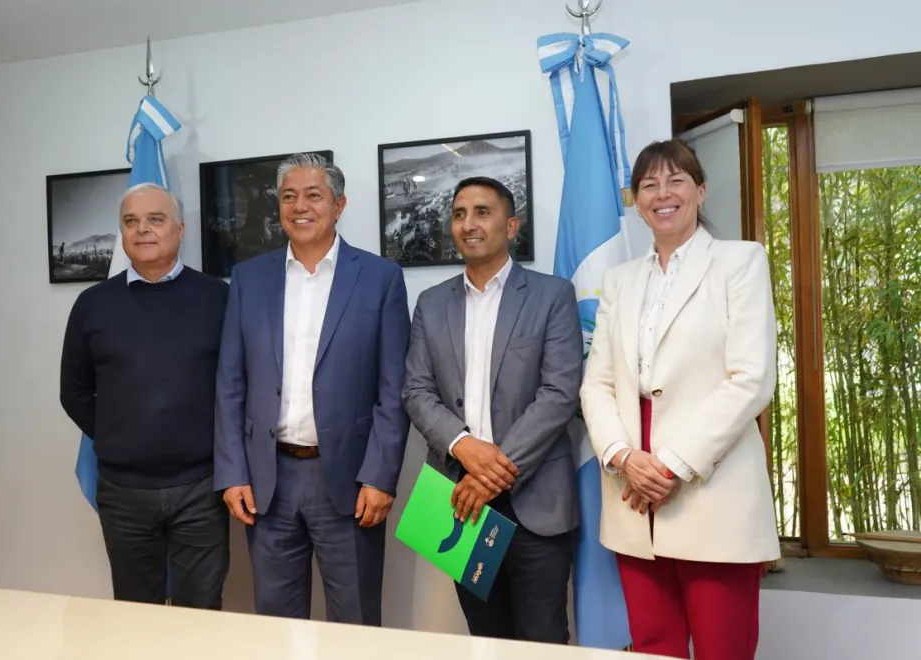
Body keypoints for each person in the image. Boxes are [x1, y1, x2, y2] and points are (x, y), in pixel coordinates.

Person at [580, 139, 779, 660]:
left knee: (723, 648)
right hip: (630, 489)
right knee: (652, 647)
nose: (662, 194)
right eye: (649, 184)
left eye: (676, 181)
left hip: (710, 488)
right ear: (637, 200)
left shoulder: (740, 262)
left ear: (701, 190)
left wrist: (667, 465)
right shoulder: (619, 281)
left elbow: (751, 378)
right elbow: (596, 383)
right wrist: (622, 455)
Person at [214, 153, 411, 625]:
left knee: (357, 624)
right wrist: (233, 472)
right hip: (268, 480)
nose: (299, 206)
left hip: (348, 479)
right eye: (288, 196)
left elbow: (394, 388)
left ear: (338, 205)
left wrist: (381, 476)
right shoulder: (249, 278)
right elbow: (230, 382)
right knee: (277, 624)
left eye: (313, 195)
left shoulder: (380, 278)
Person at [402, 176, 583, 644]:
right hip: (458, 499)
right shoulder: (431, 303)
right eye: (460, 214)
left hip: (536, 498)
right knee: (485, 635)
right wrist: (465, 448)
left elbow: (560, 393)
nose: (469, 224)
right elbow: (417, 392)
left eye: (483, 212)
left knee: (542, 637)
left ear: (512, 225)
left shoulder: (552, 295)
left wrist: (491, 472)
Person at [59, 183, 231, 609]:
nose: (143, 230)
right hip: (123, 490)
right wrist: (121, 434)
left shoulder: (219, 298)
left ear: (180, 229)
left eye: (156, 219)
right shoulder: (93, 304)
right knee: (136, 616)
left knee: (202, 615)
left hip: (202, 487)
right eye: (131, 222)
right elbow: (74, 390)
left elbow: (238, 384)